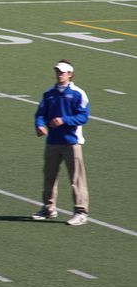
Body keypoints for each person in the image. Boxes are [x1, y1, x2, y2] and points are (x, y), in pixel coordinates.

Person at [32, 60, 89, 226]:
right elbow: (40, 114)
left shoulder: (78, 94)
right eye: (57, 71)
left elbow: (83, 117)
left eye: (62, 72)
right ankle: (48, 208)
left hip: (72, 142)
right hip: (53, 142)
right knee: (49, 177)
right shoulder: (49, 94)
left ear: (70, 74)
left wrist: (63, 120)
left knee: (76, 179)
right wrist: (39, 125)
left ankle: (81, 212)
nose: (59, 74)